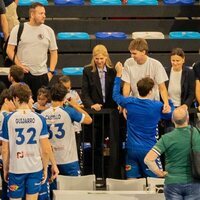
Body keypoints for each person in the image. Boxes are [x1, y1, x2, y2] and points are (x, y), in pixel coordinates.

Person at [113, 62, 174, 179]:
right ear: (151, 91)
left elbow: (115, 95)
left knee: (131, 183)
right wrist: (168, 102)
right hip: (149, 151)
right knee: (155, 183)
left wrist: (118, 75)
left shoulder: (129, 102)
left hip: (131, 150)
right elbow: (171, 115)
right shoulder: (157, 106)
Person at [1, 83, 54, 199]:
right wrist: (45, 168)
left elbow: (4, 149)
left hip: (16, 168)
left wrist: (6, 168)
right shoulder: (40, 118)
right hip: (35, 168)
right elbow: (45, 149)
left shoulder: (8, 119)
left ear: (16, 98)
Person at [41, 83, 92, 194]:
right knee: (74, 193)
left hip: (50, 160)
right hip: (68, 160)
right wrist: (75, 105)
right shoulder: (69, 111)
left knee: (54, 194)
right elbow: (89, 120)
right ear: (64, 97)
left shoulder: (43, 114)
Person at [144, 107, 200, 200]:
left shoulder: (166, 138)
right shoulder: (197, 134)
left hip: (172, 183)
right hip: (195, 182)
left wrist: (159, 173)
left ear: (172, 120)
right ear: (188, 118)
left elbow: (148, 160)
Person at [6, 2, 58, 100]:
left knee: (39, 106)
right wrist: (19, 65)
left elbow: (54, 52)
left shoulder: (48, 30)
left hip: (42, 75)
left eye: (44, 13)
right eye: (41, 13)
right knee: (21, 104)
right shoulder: (18, 29)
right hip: (23, 75)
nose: (44, 16)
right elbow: (9, 49)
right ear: (32, 14)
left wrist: (51, 72)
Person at [121, 38, 170, 113]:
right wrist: (125, 104)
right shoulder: (128, 63)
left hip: (152, 103)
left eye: (134, 53)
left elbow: (162, 87)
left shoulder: (156, 65)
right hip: (135, 102)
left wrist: (166, 103)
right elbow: (127, 85)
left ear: (143, 52)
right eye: (131, 53)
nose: (132, 56)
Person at [81, 44, 117, 111]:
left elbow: (115, 91)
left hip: (111, 109)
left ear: (106, 57)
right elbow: (85, 93)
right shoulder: (87, 71)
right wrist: (91, 105)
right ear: (93, 58)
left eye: (101, 58)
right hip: (94, 110)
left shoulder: (113, 71)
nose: (99, 61)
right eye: (96, 59)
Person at [0, 88, 15, 200]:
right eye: (12, 101)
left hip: (6, 157)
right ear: (6, 100)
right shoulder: (6, 117)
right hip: (5, 158)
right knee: (9, 191)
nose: (15, 105)